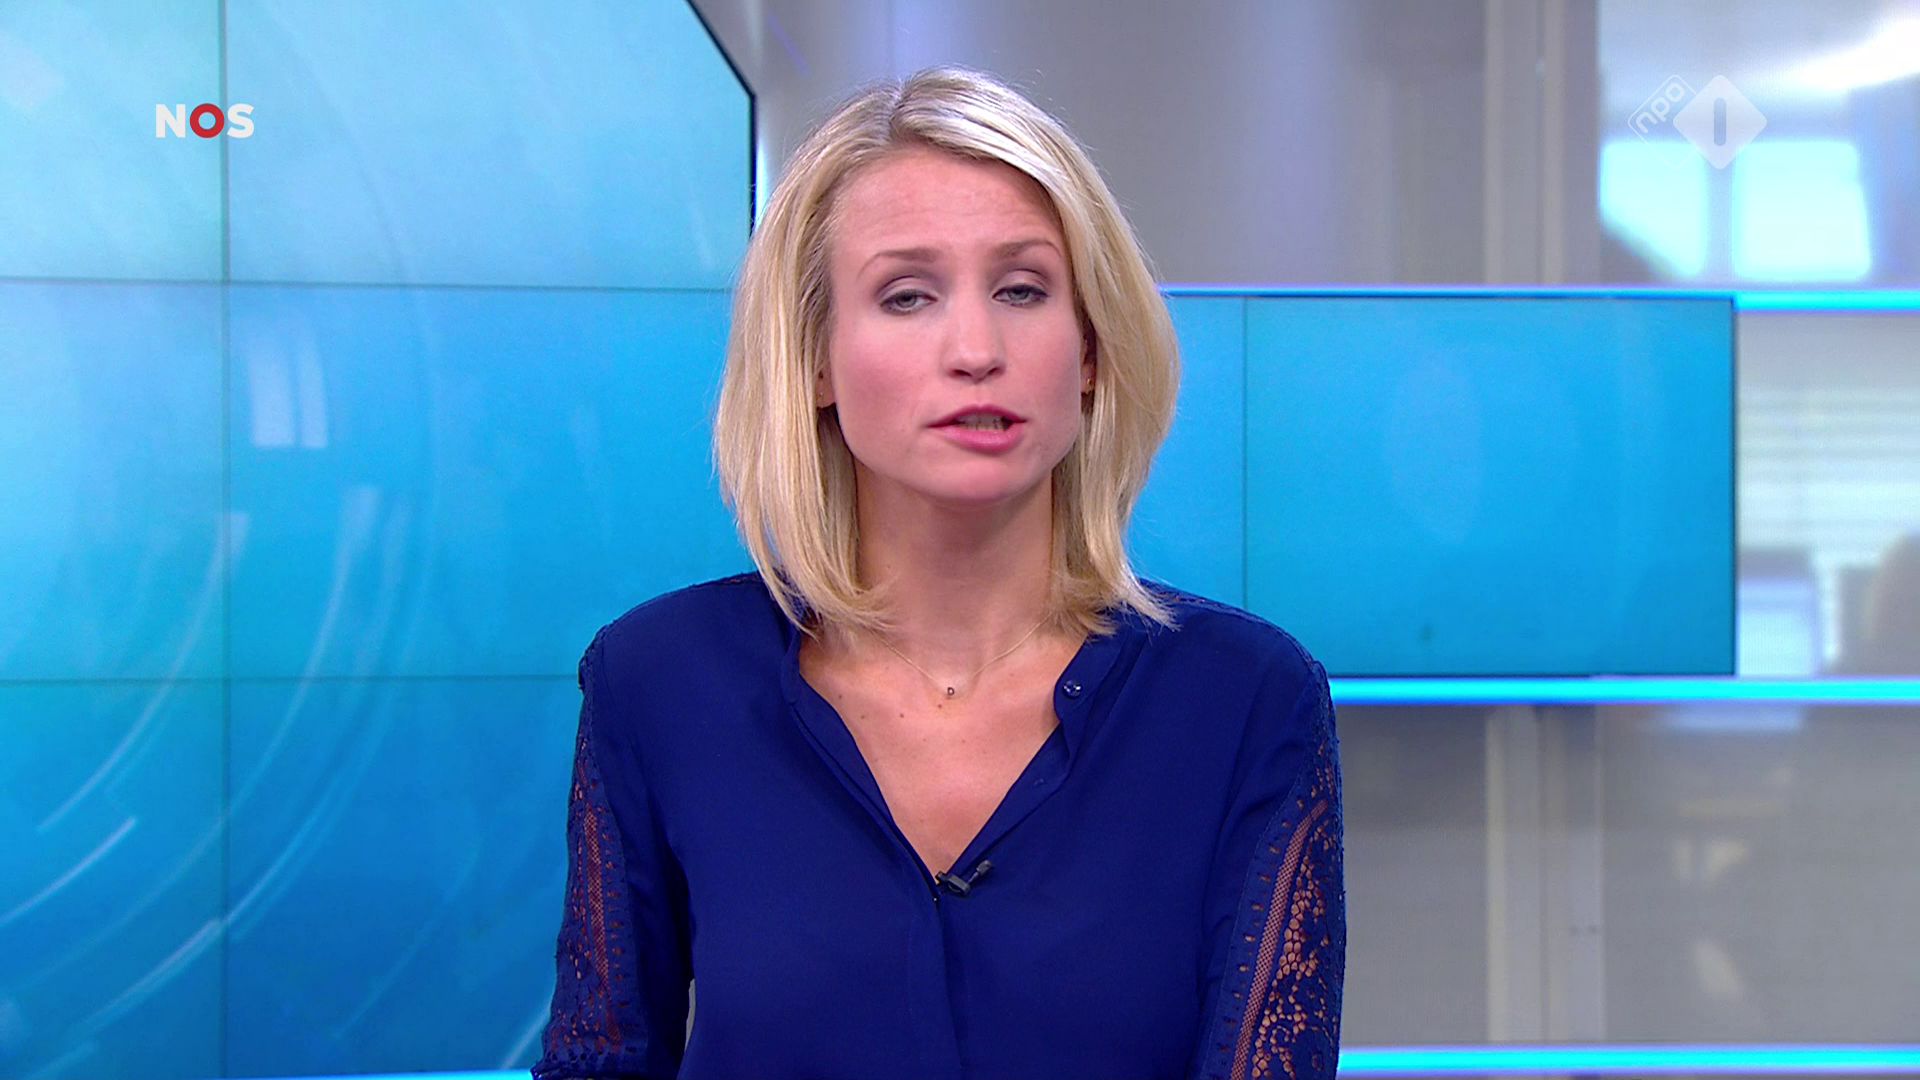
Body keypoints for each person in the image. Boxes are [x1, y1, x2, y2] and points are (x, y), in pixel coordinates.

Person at [532, 65, 1344, 1080]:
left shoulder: (1244, 698)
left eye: (1023, 290)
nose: (975, 348)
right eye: (907, 296)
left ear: (1091, 350)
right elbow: (601, 1057)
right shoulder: (658, 680)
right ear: (815, 359)